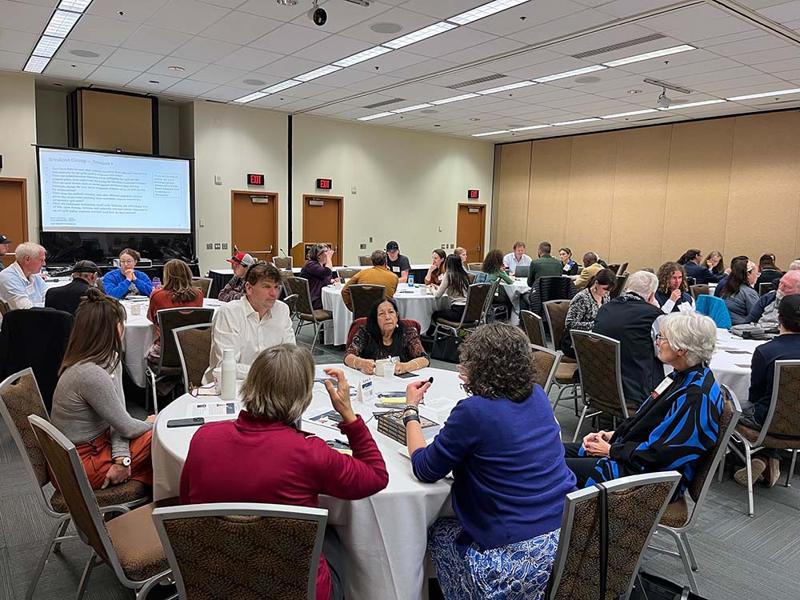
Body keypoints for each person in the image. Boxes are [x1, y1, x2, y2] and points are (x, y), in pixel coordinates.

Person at [181, 345, 389, 600]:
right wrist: (348, 415)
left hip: (216, 580)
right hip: (296, 588)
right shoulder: (309, 453)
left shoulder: (204, 438)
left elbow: (187, 507)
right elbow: (376, 476)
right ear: (304, 396)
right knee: (341, 536)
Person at [404, 323, 576, 599]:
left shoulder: (474, 412)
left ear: (479, 366)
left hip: (514, 558)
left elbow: (424, 468)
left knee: (437, 532)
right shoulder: (539, 396)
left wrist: (410, 410)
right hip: (567, 541)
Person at [564, 312, 723, 496]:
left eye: (662, 337)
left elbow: (661, 455)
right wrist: (613, 435)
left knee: (550, 469)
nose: (657, 341)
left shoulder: (696, 396)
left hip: (648, 480)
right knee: (549, 452)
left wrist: (612, 450)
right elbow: (648, 422)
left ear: (681, 349)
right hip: (633, 456)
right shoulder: (682, 376)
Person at [50, 288, 154, 490]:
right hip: (79, 464)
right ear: (117, 328)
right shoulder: (90, 373)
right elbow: (127, 427)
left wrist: (121, 457)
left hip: (96, 446)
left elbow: (119, 421)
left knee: (156, 441)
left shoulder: (108, 360)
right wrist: (155, 423)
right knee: (162, 437)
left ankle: (129, 509)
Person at [735, 294, 800, 488]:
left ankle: (761, 457)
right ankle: (770, 458)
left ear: (779, 319)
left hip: (768, 424)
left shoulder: (766, 351)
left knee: (727, 405)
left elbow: (755, 395)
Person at [205, 262, 295, 381]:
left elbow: (291, 355)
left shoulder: (282, 310)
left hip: (271, 385)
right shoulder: (229, 313)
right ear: (249, 288)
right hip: (227, 387)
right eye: (266, 287)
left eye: (277, 287)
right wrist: (271, 372)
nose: (274, 294)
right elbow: (227, 366)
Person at [593, 271, 663, 407]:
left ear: (627, 288)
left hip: (599, 385)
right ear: (651, 295)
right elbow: (662, 354)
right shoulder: (653, 315)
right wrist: (657, 309)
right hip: (635, 391)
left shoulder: (605, 308)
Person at [344, 297, 429, 375]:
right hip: (371, 381)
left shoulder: (408, 332)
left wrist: (405, 367)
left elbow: (424, 359)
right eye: (381, 314)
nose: (387, 317)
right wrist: (361, 363)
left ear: (397, 315)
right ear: (375, 319)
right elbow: (348, 356)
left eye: (391, 312)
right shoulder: (365, 332)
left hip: (401, 383)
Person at [146, 259, 204, 360]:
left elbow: (151, 319)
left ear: (166, 276)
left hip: (165, 351)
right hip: (192, 350)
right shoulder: (198, 294)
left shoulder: (157, 295)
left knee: (143, 350)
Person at [562, 268, 616, 358]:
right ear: (596, 283)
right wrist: (595, 325)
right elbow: (570, 324)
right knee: (605, 354)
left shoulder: (605, 296)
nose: (607, 293)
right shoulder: (582, 298)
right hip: (575, 341)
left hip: (594, 338)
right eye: (605, 289)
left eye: (609, 290)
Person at [427, 255, 471, 335]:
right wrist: (438, 287)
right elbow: (453, 289)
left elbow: (437, 296)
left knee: (434, 314)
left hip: (458, 312)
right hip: (469, 312)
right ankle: (442, 333)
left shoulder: (449, 274)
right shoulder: (464, 275)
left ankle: (431, 336)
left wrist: (431, 289)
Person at [0, 241, 47, 311]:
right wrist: (48, 306)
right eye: (41, 260)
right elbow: (24, 309)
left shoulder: (34, 274)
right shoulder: (7, 277)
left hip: (37, 316)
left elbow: (48, 296)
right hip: (20, 319)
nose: (44, 264)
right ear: (27, 259)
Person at [719, 260, 759, 325]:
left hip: (726, 325)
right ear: (748, 275)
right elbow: (756, 317)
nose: (757, 277)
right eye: (757, 274)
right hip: (740, 327)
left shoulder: (727, 288)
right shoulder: (750, 293)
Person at [300, 244, 338, 310]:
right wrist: (329, 258)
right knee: (337, 304)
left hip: (317, 297)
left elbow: (322, 278)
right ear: (318, 255)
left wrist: (332, 280)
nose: (328, 254)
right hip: (314, 301)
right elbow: (327, 272)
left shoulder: (320, 265)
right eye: (326, 252)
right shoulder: (311, 265)